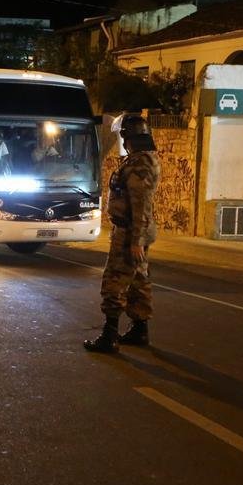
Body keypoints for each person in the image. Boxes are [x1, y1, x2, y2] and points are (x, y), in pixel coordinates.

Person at [83, 115, 161, 353]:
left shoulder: (139, 165)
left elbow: (141, 204)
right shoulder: (143, 160)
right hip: (132, 230)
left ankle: (110, 335)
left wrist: (135, 240)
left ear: (129, 137)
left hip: (129, 233)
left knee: (114, 281)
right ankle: (140, 329)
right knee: (138, 280)